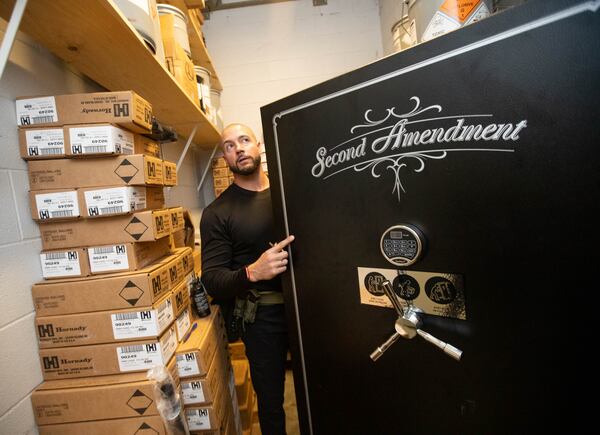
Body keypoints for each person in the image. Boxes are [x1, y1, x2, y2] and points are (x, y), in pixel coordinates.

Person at [200, 123, 295, 435]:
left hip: (309, 305)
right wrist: (254, 271)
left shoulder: (289, 192)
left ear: (258, 146)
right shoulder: (218, 212)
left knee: (321, 388)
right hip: (263, 318)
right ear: (225, 159)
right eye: (229, 145)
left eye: (243, 140)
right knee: (271, 403)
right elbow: (213, 279)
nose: (238, 148)